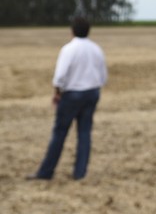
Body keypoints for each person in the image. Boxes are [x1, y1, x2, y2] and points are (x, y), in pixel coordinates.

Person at [27, 16, 108, 181]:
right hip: (92, 93)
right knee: (84, 133)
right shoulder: (96, 49)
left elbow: (60, 76)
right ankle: (80, 173)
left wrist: (57, 93)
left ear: (72, 31)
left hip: (72, 94)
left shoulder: (69, 49)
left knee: (60, 133)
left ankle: (46, 172)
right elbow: (103, 76)